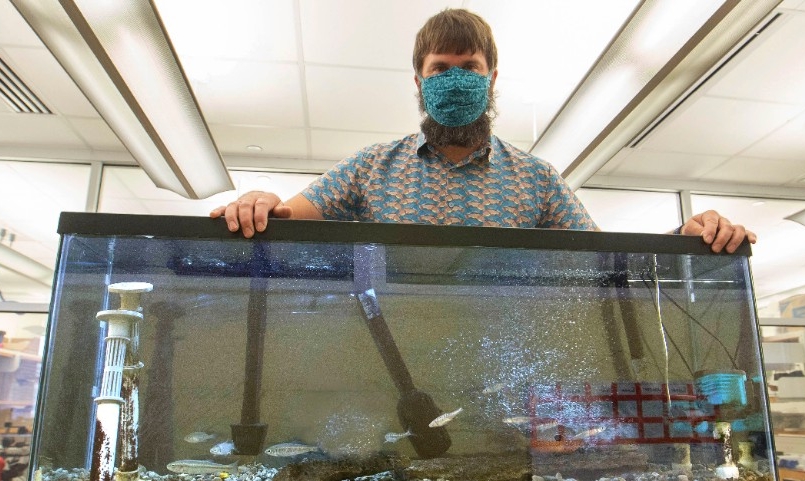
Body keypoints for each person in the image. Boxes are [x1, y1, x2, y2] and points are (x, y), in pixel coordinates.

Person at [211, 8, 755, 254]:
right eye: (439, 69)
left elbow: (605, 259)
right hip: (386, 357)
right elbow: (286, 217)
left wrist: (688, 241)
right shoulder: (371, 166)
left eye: (468, 68)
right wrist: (260, 199)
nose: (454, 79)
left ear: (492, 77)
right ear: (419, 81)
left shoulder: (537, 180)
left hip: (503, 360)